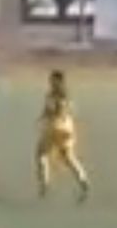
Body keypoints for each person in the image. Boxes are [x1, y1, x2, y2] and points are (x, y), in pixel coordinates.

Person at [36, 70, 90, 202]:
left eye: (51, 79)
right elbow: (72, 110)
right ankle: (83, 178)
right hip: (68, 128)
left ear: (55, 81)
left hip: (54, 127)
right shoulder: (67, 94)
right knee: (68, 157)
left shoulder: (52, 95)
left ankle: (45, 183)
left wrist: (42, 118)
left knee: (41, 154)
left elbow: (49, 110)